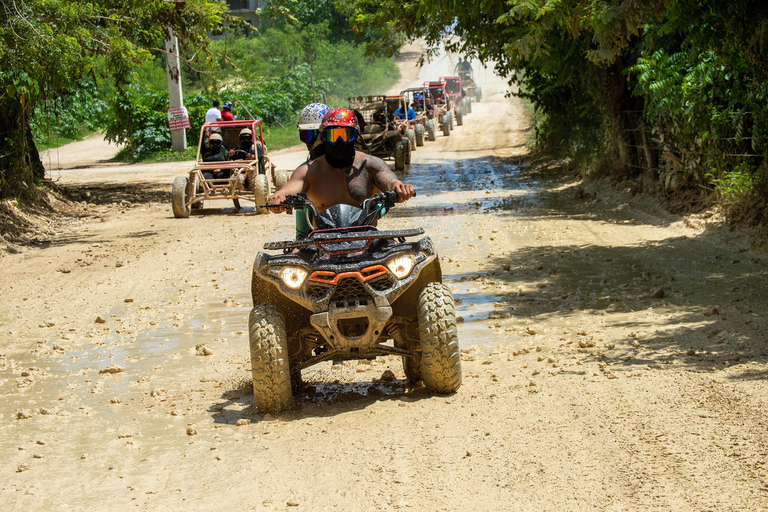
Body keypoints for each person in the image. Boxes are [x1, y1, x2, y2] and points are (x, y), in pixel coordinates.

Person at [266, 108, 415, 239]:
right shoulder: (309, 171)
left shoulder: (370, 165)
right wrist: (277, 198)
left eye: (345, 135)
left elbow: (391, 181)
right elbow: (286, 190)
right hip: (320, 244)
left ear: (355, 136)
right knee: (289, 264)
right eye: (332, 135)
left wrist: (400, 188)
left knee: (402, 260)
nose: (338, 141)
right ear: (323, 138)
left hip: (367, 239)